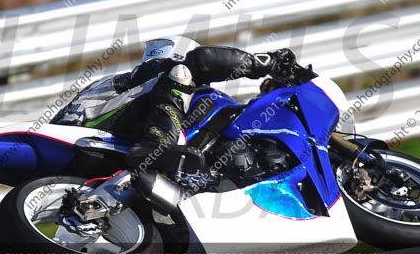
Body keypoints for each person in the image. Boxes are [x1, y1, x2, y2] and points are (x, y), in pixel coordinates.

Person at [51, 35, 296, 172]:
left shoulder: (138, 87)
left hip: (106, 143)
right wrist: (264, 64)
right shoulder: (151, 75)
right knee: (181, 74)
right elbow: (196, 63)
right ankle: (159, 144)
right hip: (89, 130)